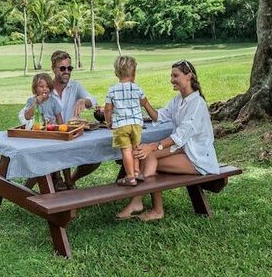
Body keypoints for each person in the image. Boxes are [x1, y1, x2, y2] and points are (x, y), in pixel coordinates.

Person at [116, 59, 219, 221]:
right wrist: (145, 103)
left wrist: (153, 146)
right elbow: (159, 116)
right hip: (183, 150)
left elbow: (180, 136)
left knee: (150, 159)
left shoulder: (197, 104)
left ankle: (144, 205)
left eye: (175, 76)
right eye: (171, 76)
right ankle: (142, 204)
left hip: (198, 157)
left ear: (189, 76)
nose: (172, 79)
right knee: (146, 155)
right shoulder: (178, 100)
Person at [17, 50, 100, 189]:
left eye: (69, 68)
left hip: (69, 136)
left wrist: (84, 101)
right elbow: (24, 115)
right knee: (46, 159)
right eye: (62, 68)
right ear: (54, 69)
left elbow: (93, 99)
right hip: (50, 137)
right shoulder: (45, 89)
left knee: (95, 157)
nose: (66, 71)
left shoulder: (75, 86)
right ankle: (31, 189)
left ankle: (70, 181)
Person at [104, 55, 158, 187]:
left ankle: (130, 177)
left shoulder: (112, 90)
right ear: (134, 73)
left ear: (116, 73)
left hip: (121, 125)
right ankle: (137, 171)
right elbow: (144, 102)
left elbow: (107, 109)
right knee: (136, 147)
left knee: (126, 150)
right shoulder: (137, 88)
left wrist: (108, 121)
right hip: (137, 124)